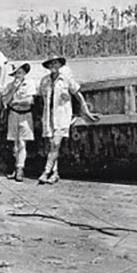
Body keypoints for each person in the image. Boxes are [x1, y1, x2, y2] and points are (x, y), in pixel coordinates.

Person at [37, 55, 99, 184]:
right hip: (49, 117)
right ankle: (55, 174)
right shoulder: (44, 81)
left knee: (55, 144)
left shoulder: (66, 79)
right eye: (50, 64)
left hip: (62, 116)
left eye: (55, 63)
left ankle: (46, 171)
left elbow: (78, 95)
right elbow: (41, 99)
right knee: (52, 146)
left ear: (60, 65)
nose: (53, 66)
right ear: (48, 67)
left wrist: (86, 112)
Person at [1, 62, 36, 182]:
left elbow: (29, 101)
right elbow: (5, 101)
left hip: (25, 115)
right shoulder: (10, 85)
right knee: (15, 144)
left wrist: (15, 102)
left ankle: (20, 169)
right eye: (16, 73)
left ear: (25, 73)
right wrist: (13, 89)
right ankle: (16, 168)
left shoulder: (29, 84)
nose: (18, 75)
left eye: (20, 72)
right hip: (13, 114)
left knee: (22, 143)